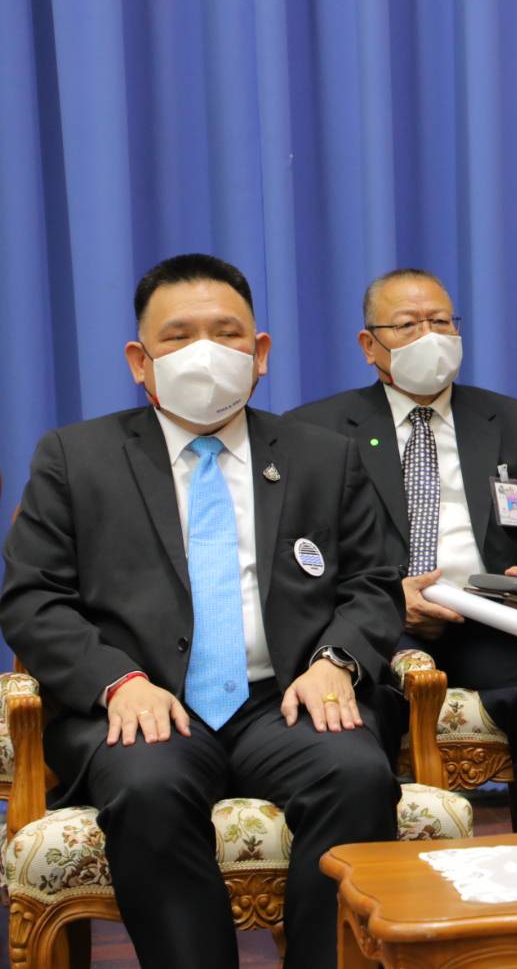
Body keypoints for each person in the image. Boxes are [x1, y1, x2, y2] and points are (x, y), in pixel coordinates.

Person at [0, 254, 402, 969]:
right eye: (179, 336)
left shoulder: (323, 457)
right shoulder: (75, 457)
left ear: (261, 352)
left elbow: (372, 582)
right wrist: (116, 681)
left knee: (357, 775)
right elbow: (32, 597)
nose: (206, 352)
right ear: (140, 361)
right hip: (141, 703)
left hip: (283, 699)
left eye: (227, 333)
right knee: (148, 787)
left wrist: (335, 661)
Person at [289, 269, 517, 832]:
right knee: (365, 703)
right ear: (369, 346)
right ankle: (381, 856)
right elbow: (304, 553)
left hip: (489, 619)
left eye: (441, 322)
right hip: (377, 626)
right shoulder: (318, 430)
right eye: (407, 325)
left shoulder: (513, 421)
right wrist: (389, 601)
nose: (429, 336)